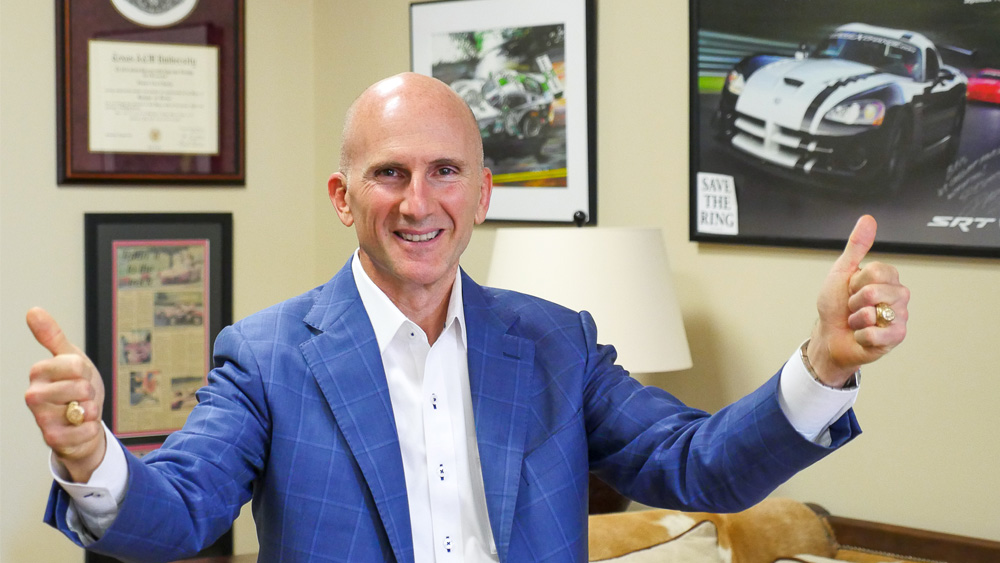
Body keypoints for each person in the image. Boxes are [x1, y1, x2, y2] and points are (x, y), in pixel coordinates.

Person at [25, 72, 909, 563]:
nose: (420, 202)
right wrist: (91, 455)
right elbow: (176, 514)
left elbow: (699, 466)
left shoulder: (557, 341)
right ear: (343, 196)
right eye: (389, 174)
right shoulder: (264, 356)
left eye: (446, 171)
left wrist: (824, 364)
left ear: (482, 193)